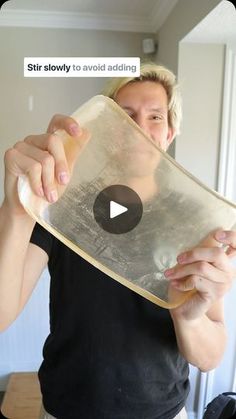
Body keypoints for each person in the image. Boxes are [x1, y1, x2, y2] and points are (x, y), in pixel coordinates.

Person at [0, 62, 236, 419]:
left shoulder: (194, 220)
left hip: (163, 413)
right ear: (106, 128)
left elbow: (210, 357)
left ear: (170, 132)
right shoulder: (62, 207)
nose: (139, 128)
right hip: (65, 409)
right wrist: (15, 211)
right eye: (125, 115)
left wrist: (188, 319)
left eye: (155, 116)